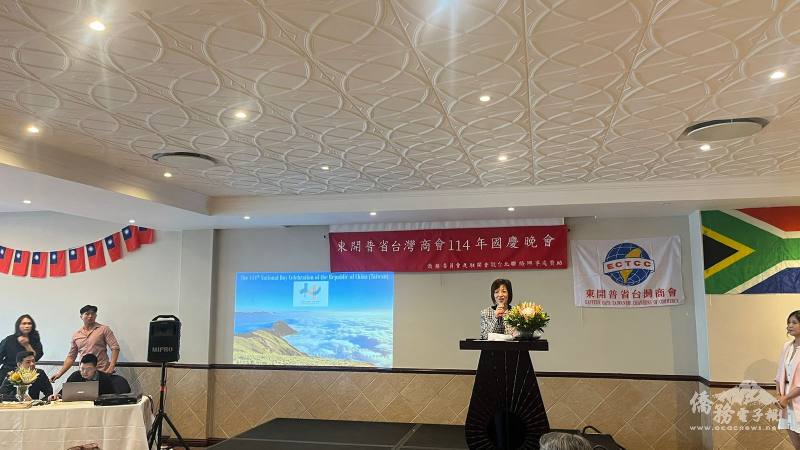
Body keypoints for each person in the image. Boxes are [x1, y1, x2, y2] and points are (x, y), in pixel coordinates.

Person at [50, 305, 120, 383]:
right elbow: (71, 357)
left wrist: (111, 367)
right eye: (87, 314)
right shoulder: (77, 335)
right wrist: (59, 373)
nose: (90, 316)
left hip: (101, 372)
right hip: (84, 374)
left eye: (93, 313)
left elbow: (115, 348)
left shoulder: (104, 329)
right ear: (81, 316)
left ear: (96, 316)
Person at [777, 310, 800, 449]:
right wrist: (780, 395)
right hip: (786, 398)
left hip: (796, 397)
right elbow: (779, 373)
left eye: (794, 322)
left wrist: (786, 397)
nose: (790, 325)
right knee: (796, 442)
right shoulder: (787, 346)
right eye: (788, 322)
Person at [49, 353, 115, 400]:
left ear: (95, 368)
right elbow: (63, 393)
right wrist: (57, 396)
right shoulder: (75, 376)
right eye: (82, 369)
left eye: (89, 369)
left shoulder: (104, 378)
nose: (85, 372)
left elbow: (112, 397)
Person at [0, 314, 44, 378]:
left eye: (29, 323)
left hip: (27, 373)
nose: (27, 326)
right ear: (18, 325)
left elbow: (36, 357)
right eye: (24, 323)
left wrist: (27, 345)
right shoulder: (9, 339)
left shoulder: (35, 339)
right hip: (8, 372)